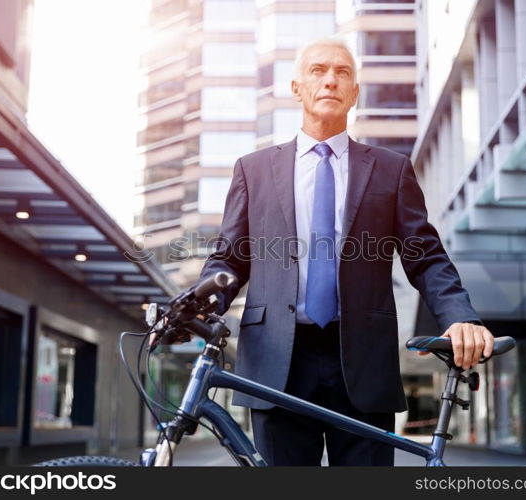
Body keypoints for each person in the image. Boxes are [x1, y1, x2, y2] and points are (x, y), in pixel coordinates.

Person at [196, 36, 494, 466]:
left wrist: (460, 316)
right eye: (318, 71)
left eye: (343, 74)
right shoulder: (253, 170)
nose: (331, 81)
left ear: (355, 93)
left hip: (362, 359)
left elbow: (425, 256)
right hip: (277, 361)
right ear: (296, 87)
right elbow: (230, 259)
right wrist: (200, 306)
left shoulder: (391, 170)